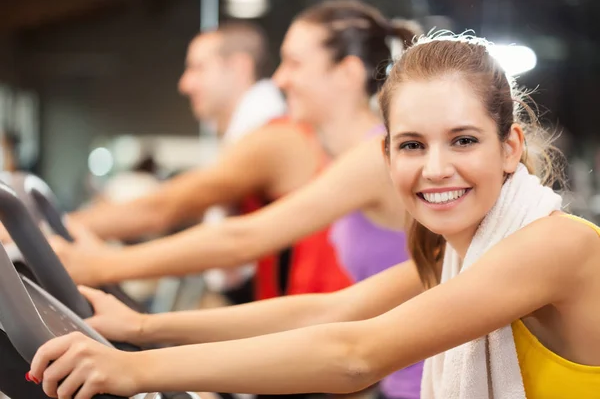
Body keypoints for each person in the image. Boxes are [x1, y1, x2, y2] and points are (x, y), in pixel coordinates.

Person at [29, 32, 600, 399]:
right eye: (412, 146)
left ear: (509, 147)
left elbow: (356, 354)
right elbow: (332, 312)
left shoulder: (553, 247)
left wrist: (134, 371)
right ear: (387, 154)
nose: (436, 168)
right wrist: (142, 330)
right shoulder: (456, 253)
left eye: (464, 140)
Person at [48, 1, 425, 397]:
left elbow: (238, 237)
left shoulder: (373, 154)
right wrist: (139, 325)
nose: (279, 79)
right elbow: (333, 310)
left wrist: (103, 266)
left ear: (347, 73)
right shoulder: (335, 152)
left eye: (294, 63)